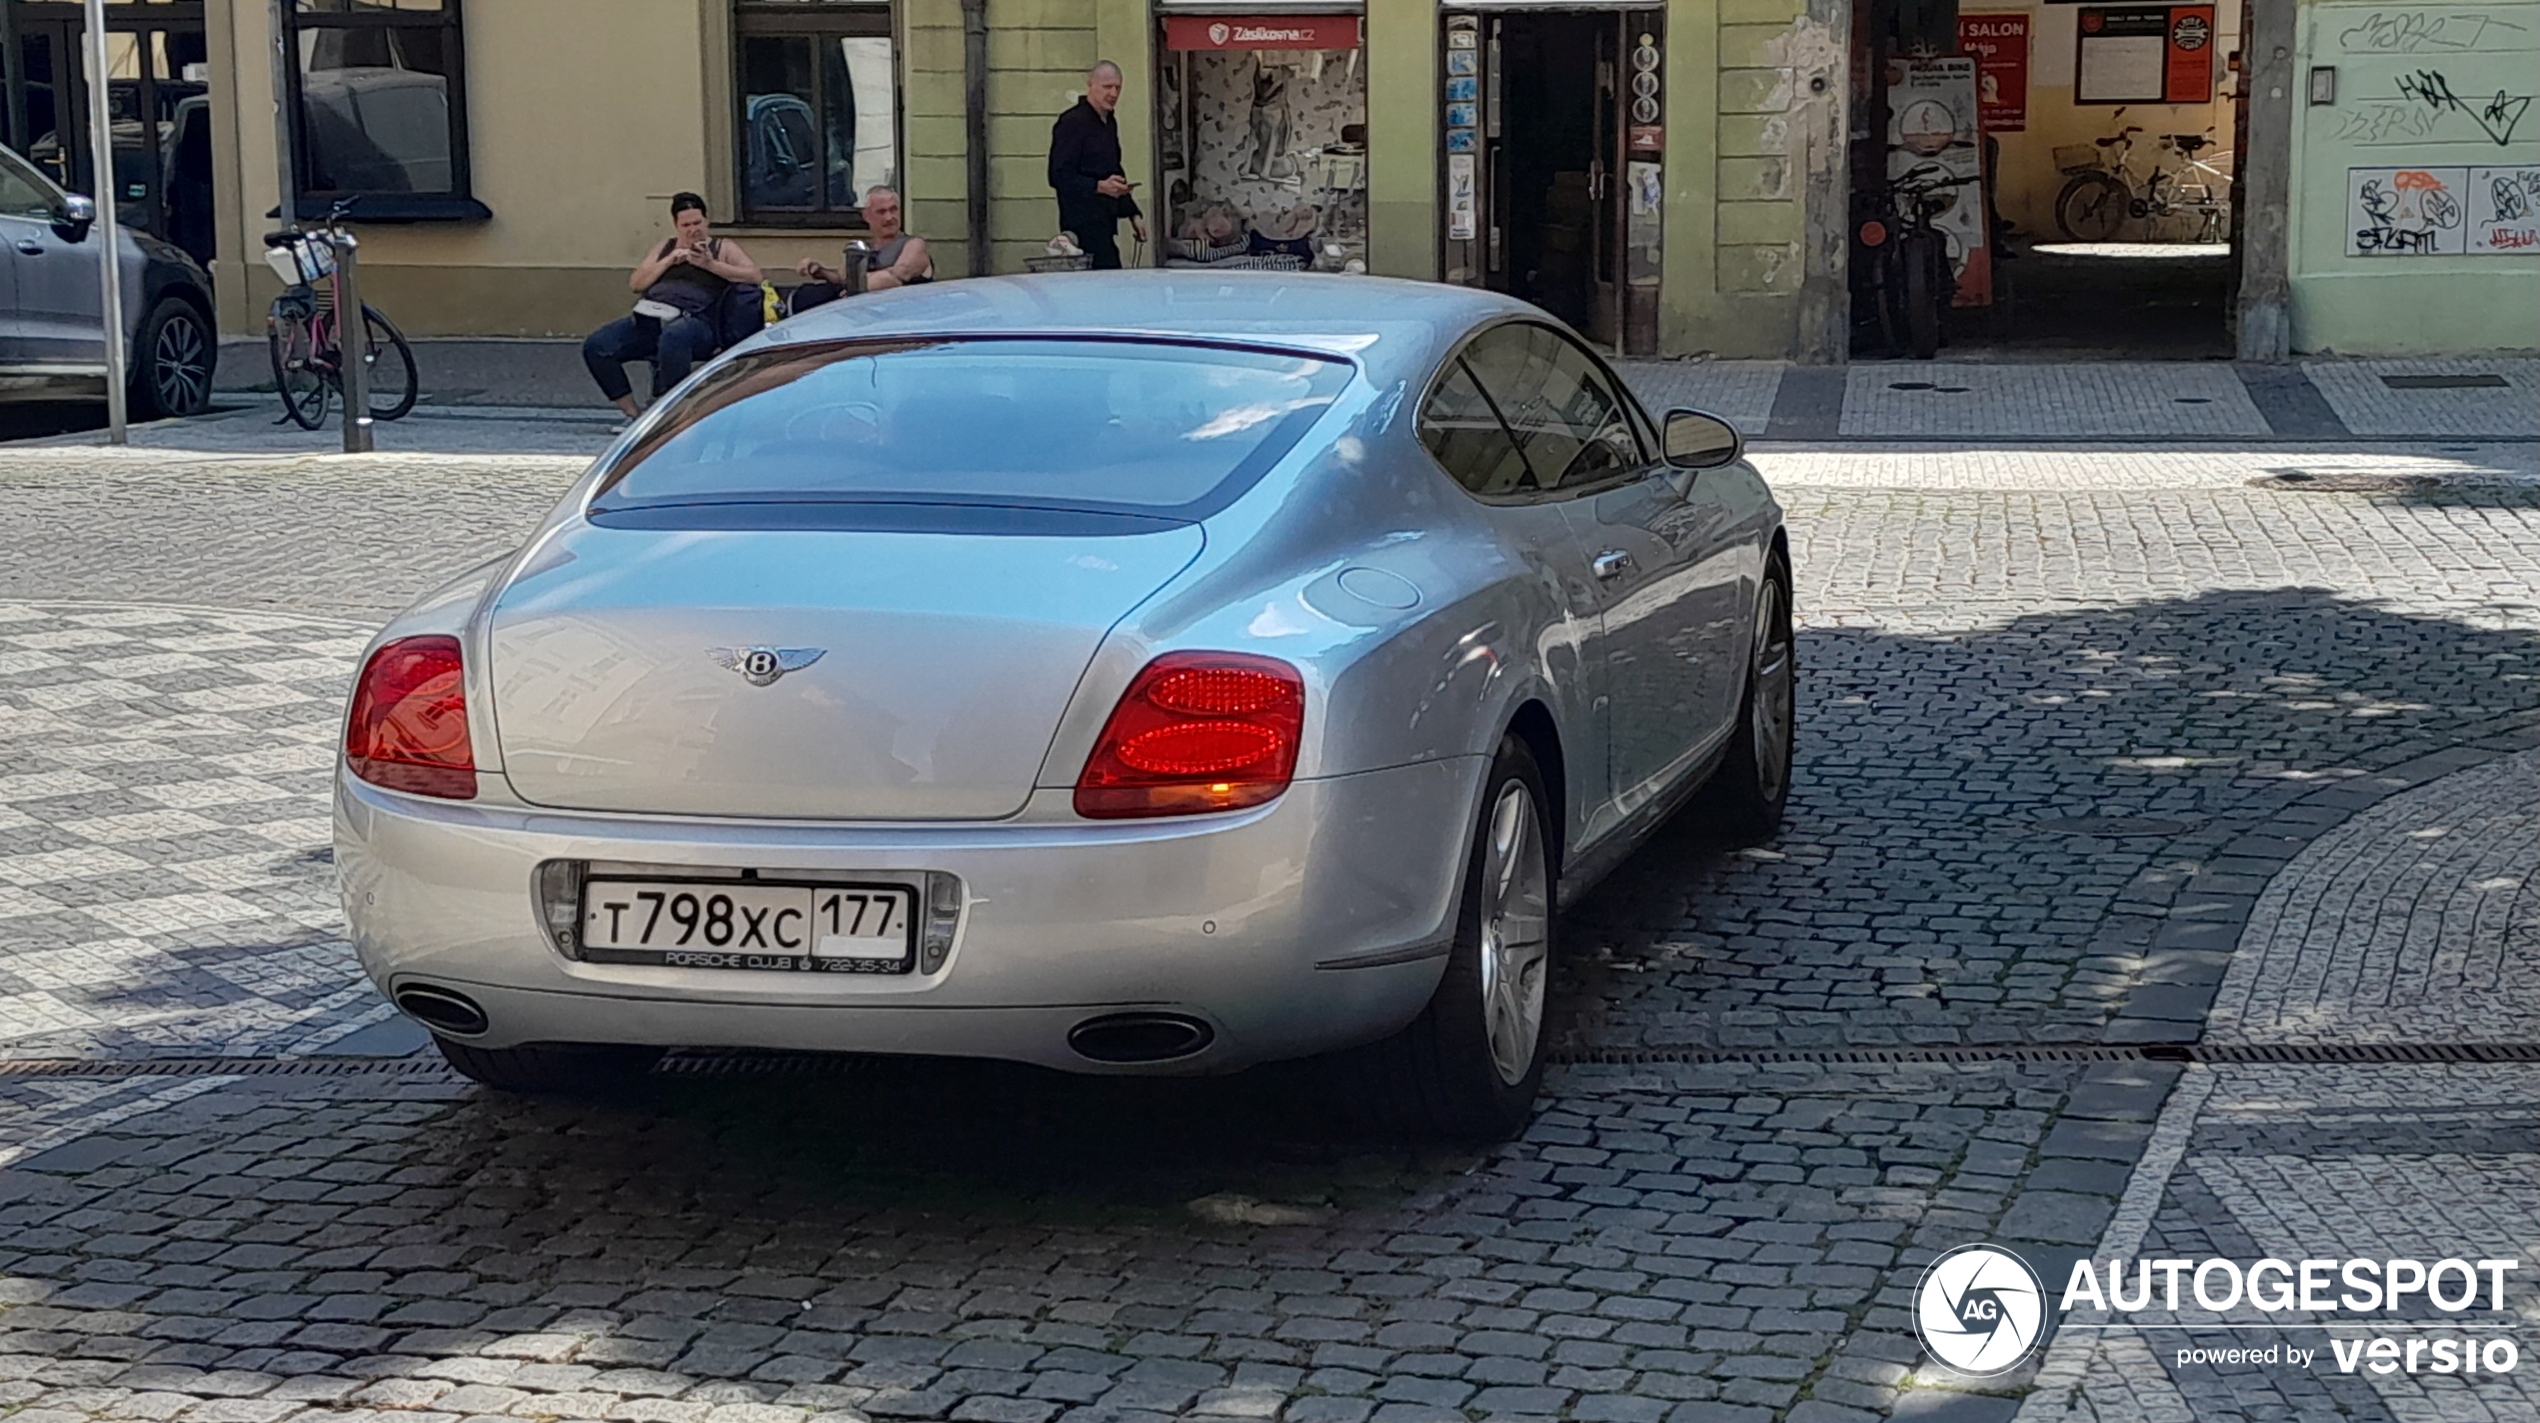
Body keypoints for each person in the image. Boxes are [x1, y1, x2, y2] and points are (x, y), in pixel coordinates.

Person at [583, 192, 762, 419]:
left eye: (697, 223)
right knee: (597, 345)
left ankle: (672, 413)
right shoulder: (666, 247)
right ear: (676, 225)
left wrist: (710, 265)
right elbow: (636, 284)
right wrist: (668, 261)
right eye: (685, 225)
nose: (692, 229)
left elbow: (754, 276)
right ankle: (634, 415)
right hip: (651, 317)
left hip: (697, 321)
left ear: (706, 221)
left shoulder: (722, 248)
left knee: (673, 336)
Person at [1047, 60, 1148, 270]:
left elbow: (1114, 170)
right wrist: (1099, 186)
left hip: (1105, 222)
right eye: (1107, 86)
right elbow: (1057, 175)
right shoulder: (1072, 122)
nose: (1113, 93)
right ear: (1091, 85)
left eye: (1117, 87)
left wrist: (1133, 214)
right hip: (1080, 225)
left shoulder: (1109, 122)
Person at [790, 186, 933, 314]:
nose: (889, 217)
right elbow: (841, 279)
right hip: (864, 316)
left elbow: (897, 276)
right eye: (881, 212)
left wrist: (856, 288)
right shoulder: (862, 248)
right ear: (866, 216)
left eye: (893, 209)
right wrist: (818, 270)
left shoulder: (914, 244)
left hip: (903, 316)